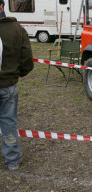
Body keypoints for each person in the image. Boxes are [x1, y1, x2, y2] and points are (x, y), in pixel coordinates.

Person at [0, 13, 34, 170]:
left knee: (9, 122)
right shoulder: (18, 30)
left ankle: (13, 160)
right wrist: (18, 73)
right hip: (8, 85)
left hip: (8, 84)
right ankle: (12, 160)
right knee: (8, 122)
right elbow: (27, 60)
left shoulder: (17, 29)